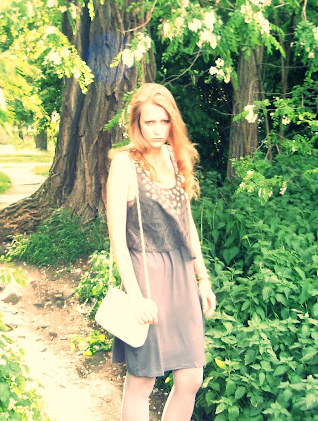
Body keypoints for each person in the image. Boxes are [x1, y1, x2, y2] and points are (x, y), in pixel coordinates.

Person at [106, 83, 216, 421]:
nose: (157, 129)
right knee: (143, 379)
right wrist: (136, 296)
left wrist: (203, 278)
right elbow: (117, 239)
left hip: (181, 274)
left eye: (163, 121)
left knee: (191, 377)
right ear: (136, 124)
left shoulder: (174, 157)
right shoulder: (125, 164)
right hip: (146, 275)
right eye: (149, 122)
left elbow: (187, 225)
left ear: (173, 123)